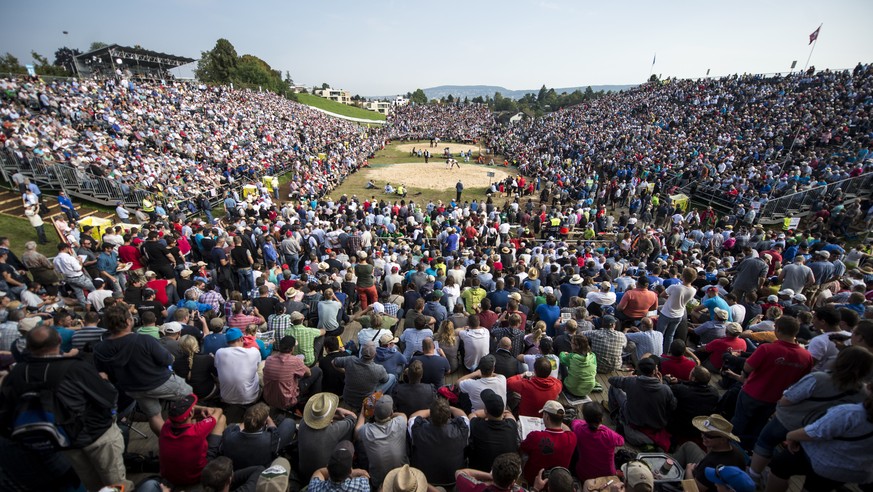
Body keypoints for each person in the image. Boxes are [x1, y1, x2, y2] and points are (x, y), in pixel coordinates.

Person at [0, 325, 133, 492]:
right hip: (95, 435)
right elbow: (108, 397)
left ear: (29, 347)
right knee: (115, 482)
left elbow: (7, 411)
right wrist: (104, 381)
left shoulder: (16, 374)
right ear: (60, 341)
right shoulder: (75, 368)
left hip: (60, 442)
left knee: (90, 484)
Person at [748, 346, 873, 481]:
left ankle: (753, 474)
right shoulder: (864, 394)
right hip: (821, 435)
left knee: (766, 443)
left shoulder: (819, 378)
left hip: (789, 421)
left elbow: (787, 399)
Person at [93, 304, 192, 435]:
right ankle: (188, 436)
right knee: (190, 395)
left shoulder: (100, 348)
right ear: (128, 321)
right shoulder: (144, 340)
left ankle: (168, 441)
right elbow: (167, 359)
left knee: (154, 415)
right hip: (158, 382)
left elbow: (104, 374)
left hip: (133, 389)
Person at [725, 316, 814, 450]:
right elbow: (802, 380)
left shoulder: (767, 349)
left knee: (740, 421)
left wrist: (744, 375)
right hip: (775, 399)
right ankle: (747, 449)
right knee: (759, 424)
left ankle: (730, 447)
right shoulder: (806, 356)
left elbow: (748, 367)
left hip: (752, 393)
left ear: (778, 329)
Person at [764, 386, 873, 492]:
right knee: (816, 488)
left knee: (780, 466)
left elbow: (815, 431)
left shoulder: (850, 413)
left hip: (818, 458)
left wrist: (790, 436)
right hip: (850, 471)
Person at [607, 357, 676, 450]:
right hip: (655, 427)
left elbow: (611, 380)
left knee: (614, 387)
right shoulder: (665, 389)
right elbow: (673, 406)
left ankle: (615, 417)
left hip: (633, 426)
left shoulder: (631, 382)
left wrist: (629, 377)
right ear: (655, 371)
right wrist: (662, 383)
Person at [159, 394, 227, 487]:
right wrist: (204, 408)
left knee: (201, 418)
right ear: (191, 413)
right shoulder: (197, 431)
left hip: (169, 477)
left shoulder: (166, 425)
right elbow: (219, 411)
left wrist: (201, 410)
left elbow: (187, 417)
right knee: (221, 418)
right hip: (196, 477)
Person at [670, 414, 748, 492]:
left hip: (699, 485)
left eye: (708, 435)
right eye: (703, 432)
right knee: (689, 445)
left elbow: (693, 490)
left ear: (723, 440)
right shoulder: (737, 452)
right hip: (709, 478)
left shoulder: (711, 463)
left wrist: (689, 470)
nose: (703, 436)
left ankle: (666, 473)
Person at [409, 398, 470, 486]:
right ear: (449, 415)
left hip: (425, 479)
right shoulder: (462, 430)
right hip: (454, 479)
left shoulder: (418, 431)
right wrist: (448, 408)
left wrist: (433, 410)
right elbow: (463, 416)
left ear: (431, 415)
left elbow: (413, 417)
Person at [298, 393, 358, 482]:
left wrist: (331, 414)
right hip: (326, 474)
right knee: (347, 444)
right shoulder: (333, 430)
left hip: (304, 472)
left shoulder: (303, 422)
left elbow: (318, 418)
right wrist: (338, 410)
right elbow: (353, 417)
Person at [219, 402, 295, 470]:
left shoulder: (228, 435)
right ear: (264, 423)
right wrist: (268, 419)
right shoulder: (271, 439)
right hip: (260, 468)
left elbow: (236, 427)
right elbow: (274, 431)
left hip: (234, 467)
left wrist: (249, 420)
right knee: (289, 422)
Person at [355, 394, 408, 488]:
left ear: (374, 413)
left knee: (359, 444)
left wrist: (363, 413)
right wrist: (390, 415)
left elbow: (357, 431)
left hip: (379, 483)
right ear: (391, 412)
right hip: (403, 479)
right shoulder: (400, 422)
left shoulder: (366, 430)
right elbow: (402, 415)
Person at [519, 400, 577, 485]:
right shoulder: (572, 437)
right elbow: (567, 430)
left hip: (534, 479)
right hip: (557, 482)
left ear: (546, 416)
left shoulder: (535, 436)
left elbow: (522, 447)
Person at [263, 335, 323, 410]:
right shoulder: (295, 361)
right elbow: (309, 373)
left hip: (269, 399)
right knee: (317, 371)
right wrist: (301, 364)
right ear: (292, 349)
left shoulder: (269, 359)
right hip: (288, 402)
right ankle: (315, 404)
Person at [467, 389, 519, 472]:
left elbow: (473, 415)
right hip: (505, 472)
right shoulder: (512, 425)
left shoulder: (477, 426)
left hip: (481, 471)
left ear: (486, 411)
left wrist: (487, 412)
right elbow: (509, 414)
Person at [572, 402, 625, 483]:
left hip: (584, 475)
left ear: (585, 418)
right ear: (601, 419)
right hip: (608, 476)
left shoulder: (579, 430)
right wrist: (604, 428)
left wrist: (584, 423)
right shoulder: (609, 435)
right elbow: (621, 441)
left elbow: (574, 422)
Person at [333, 341, 394, 410]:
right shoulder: (379, 369)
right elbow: (385, 380)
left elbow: (333, 362)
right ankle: (388, 399)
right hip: (364, 403)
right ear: (375, 354)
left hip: (347, 398)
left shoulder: (350, 360)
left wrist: (344, 371)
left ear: (361, 352)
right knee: (392, 377)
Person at [667, 366, 720, 440]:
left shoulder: (680, 390)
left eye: (691, 373)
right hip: (700, 427)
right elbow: (695, 384)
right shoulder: (714, 392)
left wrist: (665, 379)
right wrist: (679, 381)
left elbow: (665, 389)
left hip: (682, 427)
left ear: (693, 378)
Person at [214, 327, 262, 406]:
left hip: (226, 397)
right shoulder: (253, 352)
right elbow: (257, 365)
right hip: (250, 397)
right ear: (241, 338)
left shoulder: (219, 352)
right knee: (261, 366)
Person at [307, 440, 371, 492]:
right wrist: (354, 472)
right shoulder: (362, 486)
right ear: (350, 471)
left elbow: (319, 472)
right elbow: (365, 476)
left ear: (327, 467)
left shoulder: (314, 488)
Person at [455, 453, 525, 492]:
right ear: (513, 483)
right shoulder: (520, 490)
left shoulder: (475, 487)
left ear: (492, 470)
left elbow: (459, 472)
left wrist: (491, 476)